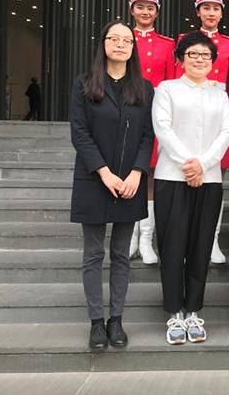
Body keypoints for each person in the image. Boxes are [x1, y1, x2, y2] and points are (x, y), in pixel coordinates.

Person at [69, 20, 154, 350]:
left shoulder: (144, 88)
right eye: (114, 39)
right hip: (94, 179)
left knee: (120, 254)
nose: (120, 44)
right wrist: (104, 173)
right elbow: (80, 134)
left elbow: (147, 135)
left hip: (130, 182)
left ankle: (115, 320)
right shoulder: (84, 84)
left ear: (133, 48)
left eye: (127, 40)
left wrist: (137, 172)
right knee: (93, 254)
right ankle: (96, 322)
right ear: (103, 43)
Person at [152, 32, 229, 345]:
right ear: (181, 58)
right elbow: (163, 128)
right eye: (193, 54)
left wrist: (203, 164)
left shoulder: (219, 94)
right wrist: (189, 164)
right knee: (173, 247)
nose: (200, 60)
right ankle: (174, 312)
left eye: (205, 55)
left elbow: (226, 131)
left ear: (213, 61)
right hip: (172, 177)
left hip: (209, 179)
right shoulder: (167, 89)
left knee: (200, 248)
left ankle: (194, 311)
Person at [175, 0, 229, 265]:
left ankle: (211, 240)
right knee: (185, 177)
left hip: (217, 116)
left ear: (222, 13)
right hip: (187, 118)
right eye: (206, 8)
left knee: (215, 181)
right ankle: (185, 240)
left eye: (216, 8)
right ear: (198, 11)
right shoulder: (183, 41)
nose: (211, 13)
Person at [128, 0, 175, 265]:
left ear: (157, 12)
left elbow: (170, 84)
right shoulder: (123, 38)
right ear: (132, 9)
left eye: (150, 7)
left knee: (151, 175)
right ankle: (129, 236)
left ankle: (146, 238)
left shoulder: (167, 44)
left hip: (156, 115)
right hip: (127, 114)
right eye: (140, 6)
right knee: (128, 172)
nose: (145, 12)